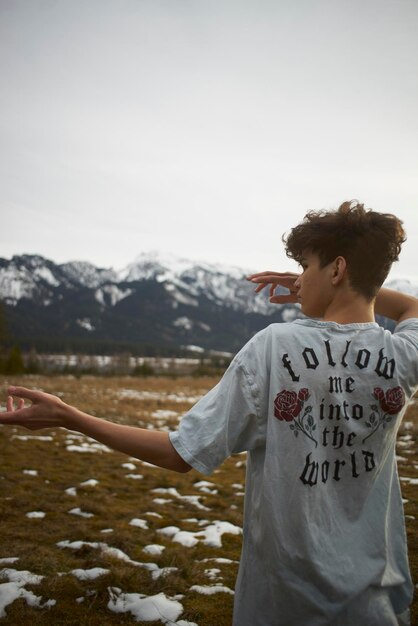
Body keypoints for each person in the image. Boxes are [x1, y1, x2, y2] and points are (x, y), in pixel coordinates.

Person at [2, 200, 418, 626]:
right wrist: (358, 283)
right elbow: (411, 309)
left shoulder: (274, 346)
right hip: (377, 606)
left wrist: (70, 417)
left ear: (336, 269)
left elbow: (179, 453)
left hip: (288, 604)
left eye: (306, 267)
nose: (299, 279)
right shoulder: (401, 354)